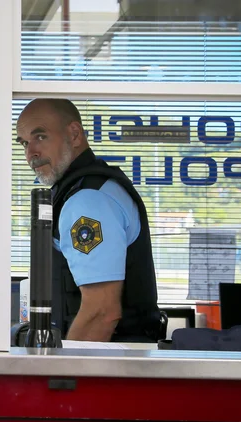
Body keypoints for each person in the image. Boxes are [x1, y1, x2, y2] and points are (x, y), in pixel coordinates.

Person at [15, 98, 163, 343]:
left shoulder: (87, 201)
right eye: (24, 143)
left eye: (40, 137)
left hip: (107, 368)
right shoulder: (81, 190)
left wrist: (63, 375)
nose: (31, 153)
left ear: (74, 134)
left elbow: (102, 313)